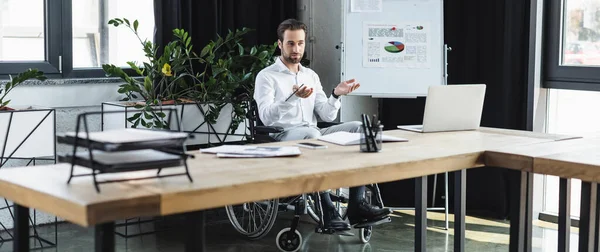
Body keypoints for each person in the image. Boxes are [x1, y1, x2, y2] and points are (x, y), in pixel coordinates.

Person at [253, 18, 392, 231]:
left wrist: (336, 95)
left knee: (359, 128)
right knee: (311, 132)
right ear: (280, 44)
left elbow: (326, 113)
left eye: (300, 43)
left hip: (314, 132)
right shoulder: (267, 76)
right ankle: (327, 210)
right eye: (290, 43)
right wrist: (293, 97)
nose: (296, 48)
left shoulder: (310, 75)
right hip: (282, 135)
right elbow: (266, 117)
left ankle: (357, 205)